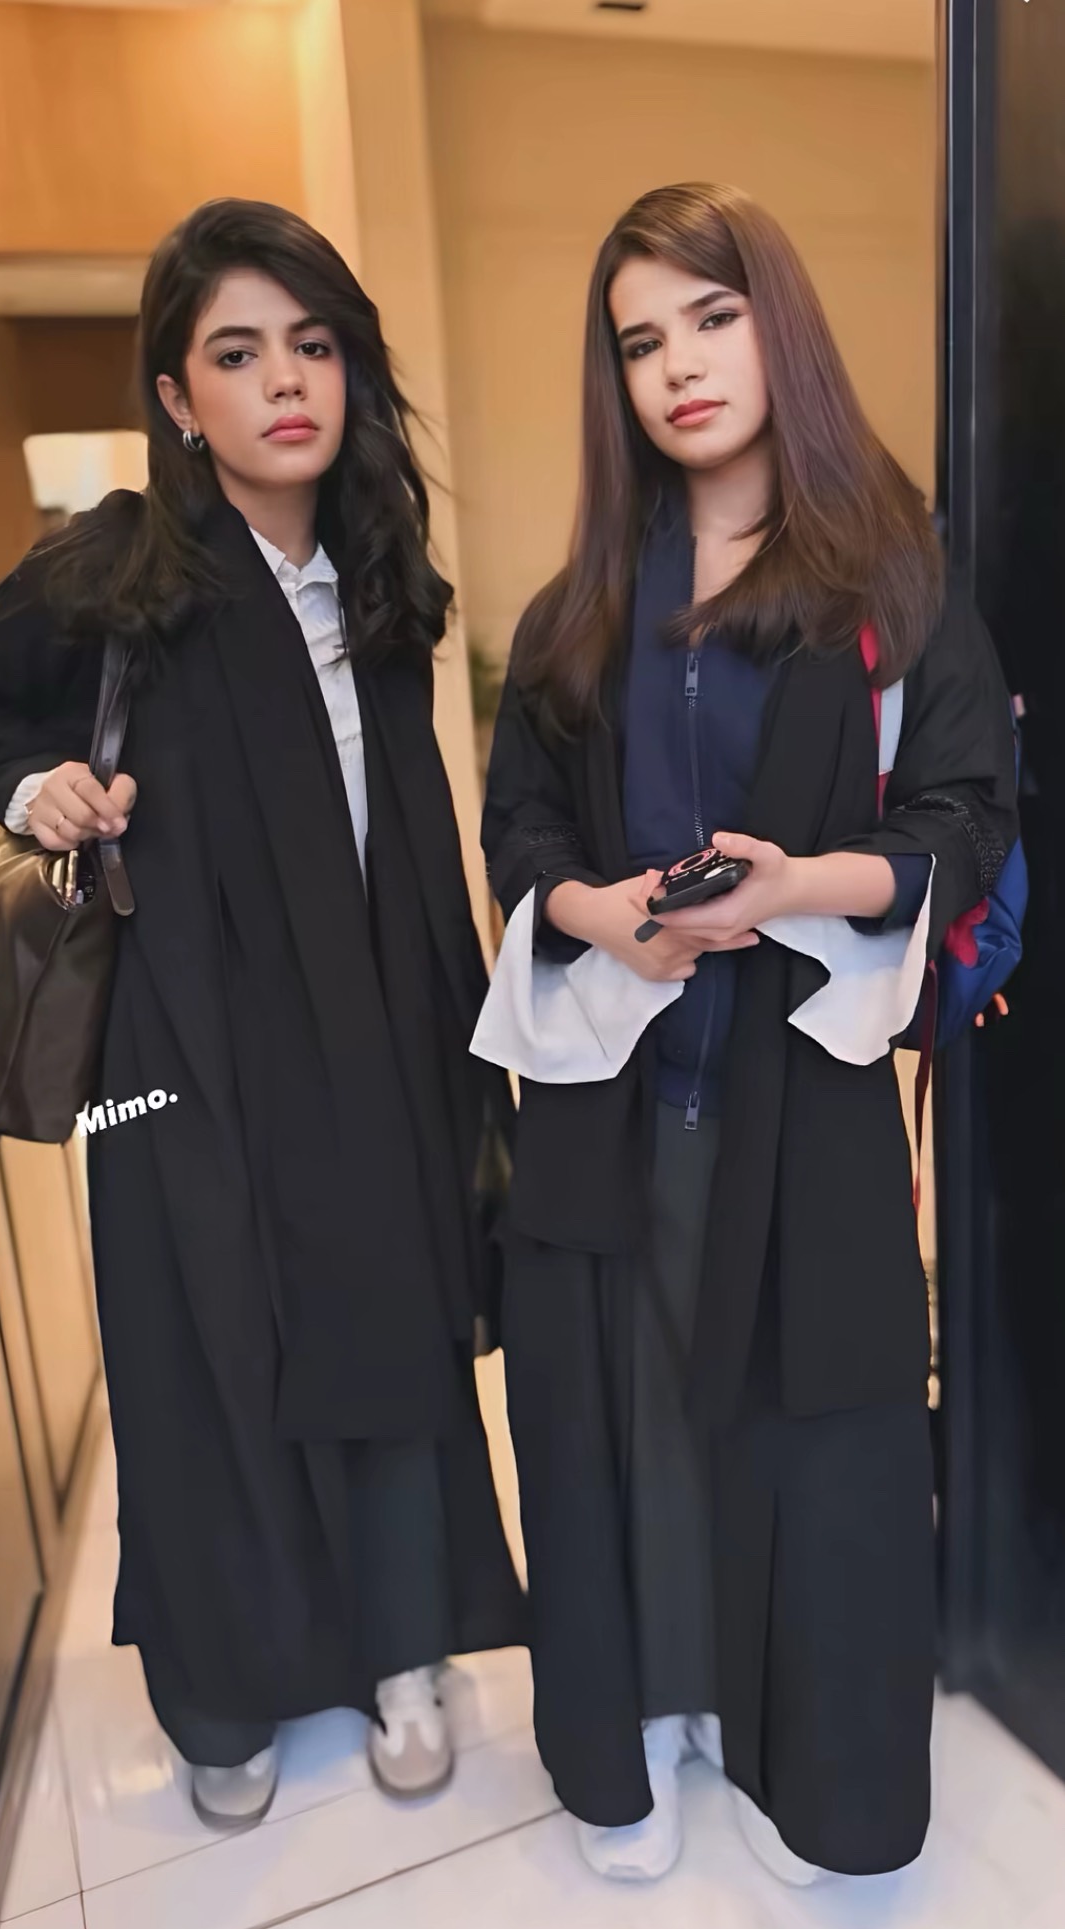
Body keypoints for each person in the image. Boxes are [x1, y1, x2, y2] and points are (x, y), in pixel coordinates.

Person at [475, 183, 1018, 1884]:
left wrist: (794, 885)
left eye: (712, 318)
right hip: (617, 1086)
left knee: (813, 1428)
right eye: (642, 340)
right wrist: (598, 914)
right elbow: (519, 827)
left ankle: (812, 1771)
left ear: (778, 324)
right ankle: (650, 1720)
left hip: (801, 1088)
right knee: (625, 1414)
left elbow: (965, 812)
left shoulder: (891, 582)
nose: (680, 366)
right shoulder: (584, 602)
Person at [0, 199, 524, 1831]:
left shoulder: (382, 573)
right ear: (176, 395)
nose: (285, 381)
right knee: (198, 1350)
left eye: (314, 344)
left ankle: (402, 1649)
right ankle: (227, 1686)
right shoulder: (109, 571)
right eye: (237, 353)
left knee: (389, 1324)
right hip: (182, 1060)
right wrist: (31, 787)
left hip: (377, 1028)